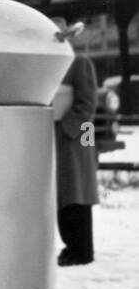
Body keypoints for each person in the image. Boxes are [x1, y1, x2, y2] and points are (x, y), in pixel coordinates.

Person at [56, 37, 99, 266]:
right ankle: (71, 246)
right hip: (62, 137)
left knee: (78, 192)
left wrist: (67, 129)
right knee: (64, 195)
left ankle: (81, 250)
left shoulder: (79, 62)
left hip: (77, 136)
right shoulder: (54, 66)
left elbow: (88, 104)